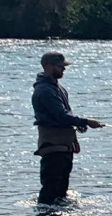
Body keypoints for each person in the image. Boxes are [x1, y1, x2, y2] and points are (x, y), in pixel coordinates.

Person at [32, 51, 104, 204]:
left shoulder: (59, 88)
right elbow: (61, 116)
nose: (63, 70)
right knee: (50, 190)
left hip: (65, 146)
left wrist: (77, 134)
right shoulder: (44, 90)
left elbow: (66, 116)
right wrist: (86, 122)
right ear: (48, 66)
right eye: (60, 67)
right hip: (52, 146)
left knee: (61, 189)